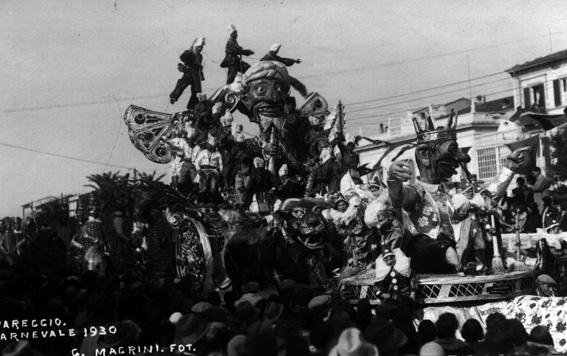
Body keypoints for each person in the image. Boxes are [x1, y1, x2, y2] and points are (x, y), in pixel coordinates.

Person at [169, 37, 206, 109]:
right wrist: (189, 51)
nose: (200, 49)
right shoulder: (190, 53)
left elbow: (199, 67)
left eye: (201, 47)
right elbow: (182, 57)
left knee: (196, 92)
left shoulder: (200, 56)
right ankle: (174, 97)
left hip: (196, 76)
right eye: (198, 47)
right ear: (194, 46)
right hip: (188, 73)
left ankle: (191, 107)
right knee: (181, 85)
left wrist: (201, 75)